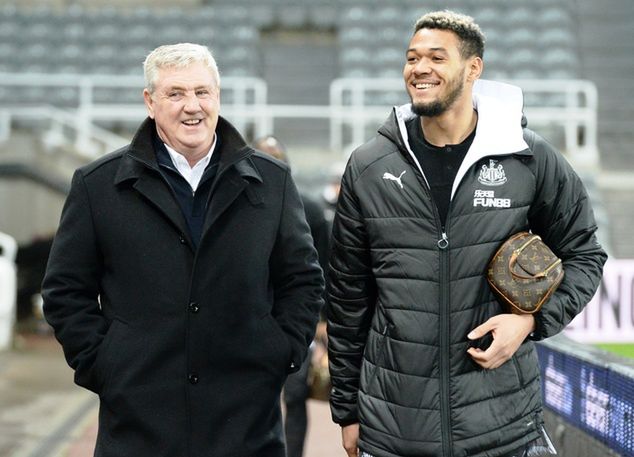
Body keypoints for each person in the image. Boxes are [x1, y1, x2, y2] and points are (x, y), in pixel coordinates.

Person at [326, 11, 607, 457]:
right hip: (394, 431)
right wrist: (348, 410)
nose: (420, 68)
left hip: (504, 430)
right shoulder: (369, 165)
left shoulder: (527, 156)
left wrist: (530, 321)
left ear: (473, 68)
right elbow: (347, 297)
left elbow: (585, 254)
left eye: (437, 57)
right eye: (412, 57)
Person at [42, 43, 324, 457]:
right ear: (150, 103)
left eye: (202, 92)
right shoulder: (96, 186)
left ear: (218, 97)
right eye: (175, 94)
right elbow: (65, 291)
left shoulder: (274, 181)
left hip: (246, 425)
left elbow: (302, 279)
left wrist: (279, 352)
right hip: (137, 426)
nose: (192, 106)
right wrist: (106, 365)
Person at [252, 135, 330, 457]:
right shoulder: (232, 208)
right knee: (252, 400)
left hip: (296, 320)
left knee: (295, 397)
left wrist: (323, 321)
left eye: (276, 159)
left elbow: (325, 265)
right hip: (248, 322)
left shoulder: (308, 208)